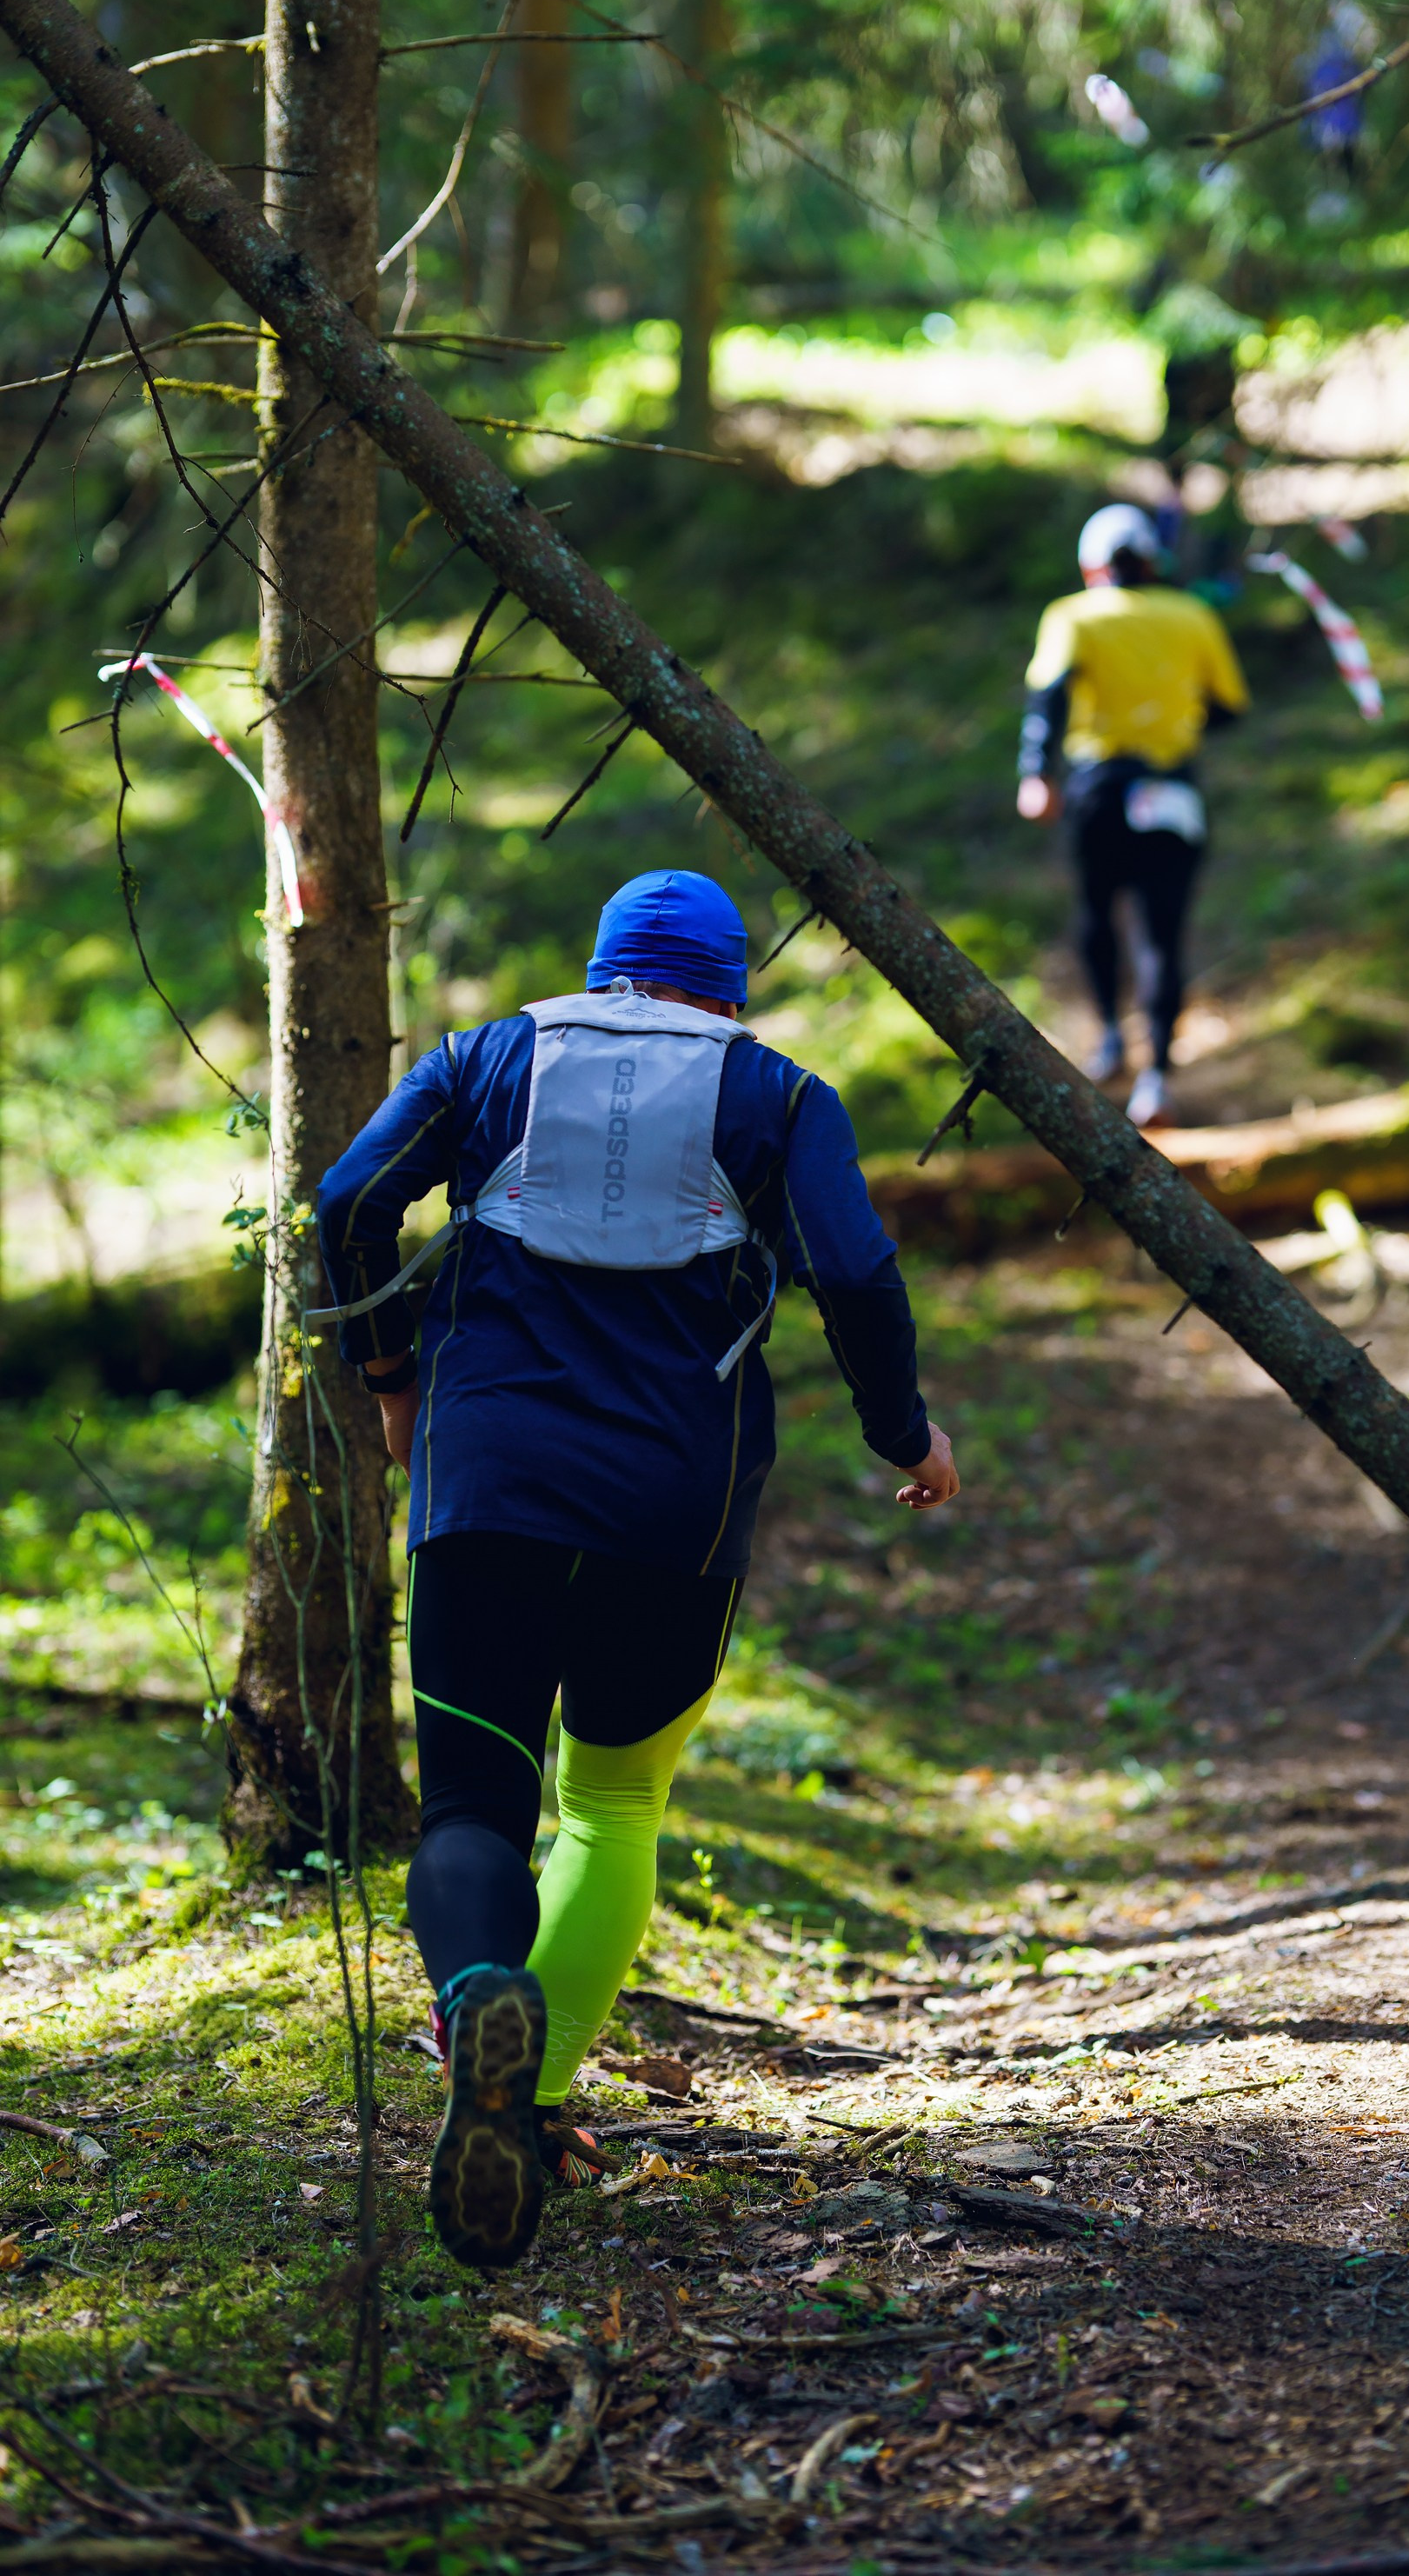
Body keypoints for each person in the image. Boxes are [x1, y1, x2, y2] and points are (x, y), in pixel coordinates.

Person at [316, 869, 959, 2270]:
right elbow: (855, 1274)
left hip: (483, 1486)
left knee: (475, 1807)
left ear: (603, 969)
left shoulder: (489, 1056)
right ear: (728, 989)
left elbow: (351, 1198)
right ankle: (530, 2108)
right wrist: (902, 1432)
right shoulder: (775, 1094)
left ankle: (481, 1993)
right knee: (611, 1804)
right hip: (678, 1508)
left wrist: (385, 1379)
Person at [1018, 502, 1250, 1128]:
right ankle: (1158, 1079)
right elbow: (1230, 706)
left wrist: (1035, 774)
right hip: (1172, 789)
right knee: (1162, 933)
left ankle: (1111, 1039)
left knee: (1097, 911)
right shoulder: (1193, 615)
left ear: (1093, 568)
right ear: (1153, 562)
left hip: (1099, 788)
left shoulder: (1072, 616)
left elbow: (1049, 695)